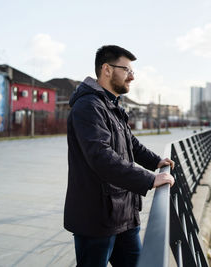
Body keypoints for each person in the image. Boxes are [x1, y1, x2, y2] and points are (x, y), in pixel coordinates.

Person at [64, 45, 175, 267]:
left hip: (124, 214)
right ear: (106, 69)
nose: (132, 77)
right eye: (127, 70)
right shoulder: (89, 106)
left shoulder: (111, 104)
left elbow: (129, 142)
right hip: (96, 217)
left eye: (132, 71)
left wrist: (156, 162)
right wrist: (149, 179)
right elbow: (101, 156)